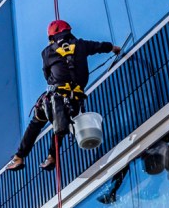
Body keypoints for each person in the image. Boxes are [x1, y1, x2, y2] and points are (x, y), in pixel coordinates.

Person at [6, 20, 121, 172]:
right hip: (74, 99)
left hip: (55, 97)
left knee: (37, 123)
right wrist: (115, 48)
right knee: (61, 122)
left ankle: (19, 157)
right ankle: (52, 156)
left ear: (52, 36)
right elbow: (101, 46)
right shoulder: (82, 45)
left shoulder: (47, 52)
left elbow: (47, 76)